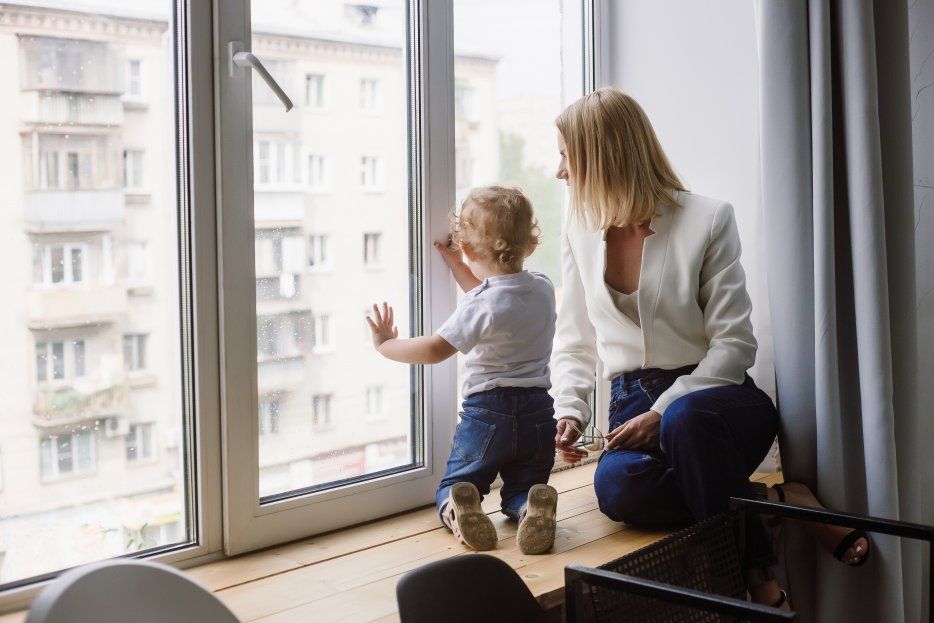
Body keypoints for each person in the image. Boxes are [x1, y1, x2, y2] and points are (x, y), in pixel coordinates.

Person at [549, 87, 870, 608]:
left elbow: (735, 344)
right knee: (619, 491)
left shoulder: (708, 218)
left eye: (566, 155)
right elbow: (574, 337)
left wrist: (666, 408)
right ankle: (780, 501)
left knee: (685, 421)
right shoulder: (578, 229)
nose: (559, 170)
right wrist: (567, 409)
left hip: (717, 399)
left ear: (601, 154)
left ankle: (755, 588)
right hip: (631, 404)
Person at [368, 185, 560, 555]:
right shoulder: (542, 288)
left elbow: (436, 349)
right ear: (531, 245)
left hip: (489, 414)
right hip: (539, 412)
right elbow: (498, 296)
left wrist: (386, 345)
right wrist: (460, 266)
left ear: (468, 250)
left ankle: (461, 506)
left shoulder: (481, 307)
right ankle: (527, 506)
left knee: (459, 482)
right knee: (522, 486)